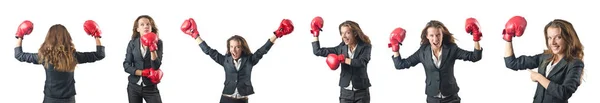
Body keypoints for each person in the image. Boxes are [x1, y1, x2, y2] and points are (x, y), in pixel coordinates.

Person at [180, 18, 293, 103]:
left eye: (237, 47)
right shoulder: (225, 60)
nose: (234, 49)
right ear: (229, 48)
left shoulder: (249, 60)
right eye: (231, 47)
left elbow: (262, 50)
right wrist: (195, 35)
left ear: (242, 48)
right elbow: (209, 51)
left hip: (242, 100)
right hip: (226, 99)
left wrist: (277, 34)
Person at [390, 19, 483, 103]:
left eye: (438, 35)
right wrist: (395, 47)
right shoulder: (422, 52)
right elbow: (400, 65)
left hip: (451, 98)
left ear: (442, 34)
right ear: (427, 36)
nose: (435, 39)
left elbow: (475, 57)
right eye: (431, 35)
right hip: (432, 99)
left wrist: (476, 36)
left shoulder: (452, 49)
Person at [14, 20, 105, 103]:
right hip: (68, 99)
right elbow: (99, 54)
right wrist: (96, 35)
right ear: (67, 37)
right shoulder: (72, 56)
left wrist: (20, 36)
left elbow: (19, 55)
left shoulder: (43, 56)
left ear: (48, 38)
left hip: (50, 99)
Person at [503, 17, 584, 103]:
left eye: (558, 37)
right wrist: (508, 37)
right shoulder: (545, 57)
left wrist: (539, 77)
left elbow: (564, 93)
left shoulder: (575, 63)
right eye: (549, 37)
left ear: (568, 38)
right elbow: (512, 63)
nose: (552, 42)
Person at [312, 18, 372, 103]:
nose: (344, 36)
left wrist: (345, 60)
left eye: (347, 33)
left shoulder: (365, 46)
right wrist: (315, 33)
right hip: (345, 93)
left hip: (361, 92)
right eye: (342, 33)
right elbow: (317, 51)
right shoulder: (341, 48)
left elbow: (362, 62)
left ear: (355, 33)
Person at [123, 15, 164, 103]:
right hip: (133, 86)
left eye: (148, 24)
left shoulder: (159, 42)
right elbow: (126, 65)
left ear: (151, 27)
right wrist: (141, 72)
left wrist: (152, 48)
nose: (145, 26)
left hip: (150, 87)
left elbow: (156, 66)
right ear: (137, 29)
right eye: (142, 24)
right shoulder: (132, 43)